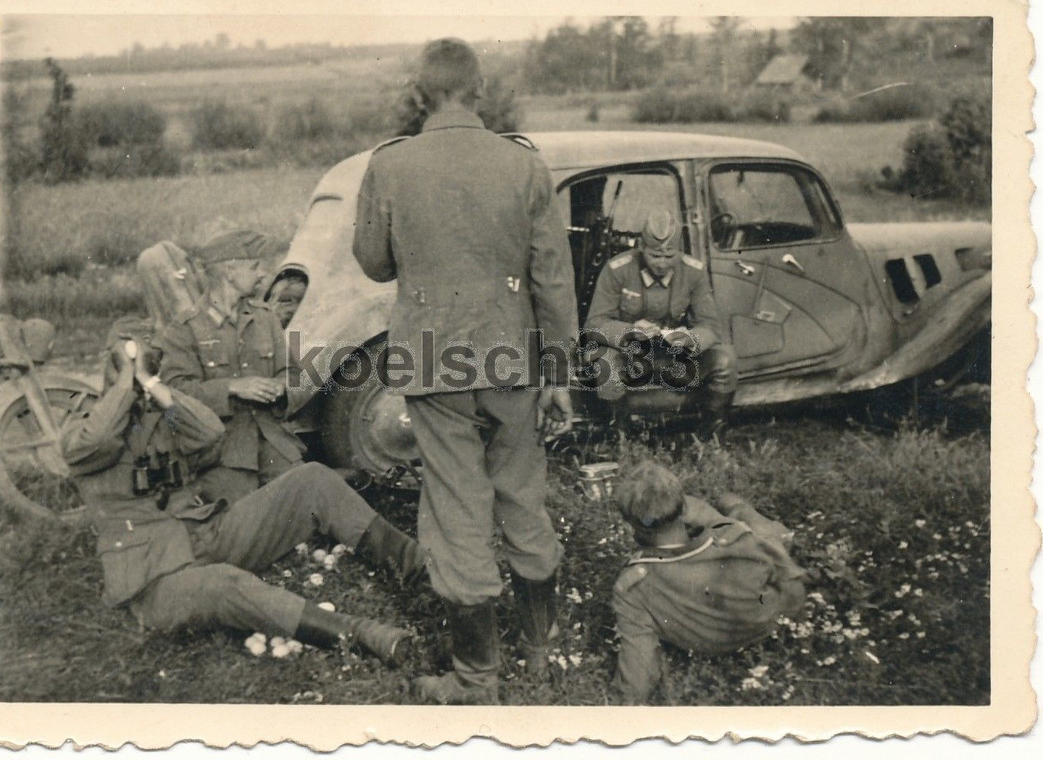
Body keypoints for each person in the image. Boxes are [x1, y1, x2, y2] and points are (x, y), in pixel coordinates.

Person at [352, 38, 579, 703]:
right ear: (480, 91)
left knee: (455, 509)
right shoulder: (522, 163)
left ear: (418, 95)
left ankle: (476, 678)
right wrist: (558, 370)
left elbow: (373, 262)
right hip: (512, 353)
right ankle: (538, 656)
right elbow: (553, 278)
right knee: (521, 492)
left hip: (431, 355)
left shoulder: (389, 164)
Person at [61, 317, 425, 662]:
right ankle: (364, 636)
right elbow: (100, 440)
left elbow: (209, 432)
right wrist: (125, 380)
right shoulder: (82, 424)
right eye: (126, 364)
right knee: (225, 585)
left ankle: (419, 567)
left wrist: (154, 384)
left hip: (209, 537)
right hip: (155, 579)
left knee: (312, 480)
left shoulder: (161, 411)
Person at [610, 459, 806, 703]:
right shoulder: (737, 540)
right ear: (684, 511)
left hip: (708, 646)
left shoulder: (633, 586)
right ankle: (736, 508)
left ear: (630, 527)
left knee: (732, 515)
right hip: (765, 626)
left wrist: (623, 703)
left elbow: (639, 663)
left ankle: (732, 508)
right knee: (739, 512)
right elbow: (793, 588)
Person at [158, 229, 307, 503]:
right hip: (223, 454)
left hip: (275, 443)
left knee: (307, 501)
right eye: (254, 267)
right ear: (229, 272)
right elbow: (172, 394)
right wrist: (232, 388)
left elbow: (297, 376)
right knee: (240, 522)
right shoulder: (185, 329)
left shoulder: (265, 319)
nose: (263, 275)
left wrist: (282, 388)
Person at [583, 210, 737, 441]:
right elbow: (594, 324)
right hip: (631, 359)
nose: (662, 264)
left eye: (669, 256)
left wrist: (690, 340)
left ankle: (710, 440)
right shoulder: (618, 269)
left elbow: (711, 326)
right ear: (641, 247)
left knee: (725, 359)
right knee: (604, 362)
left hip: (675, 359)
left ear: (679, 251)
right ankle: (621, 441)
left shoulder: (693, 272)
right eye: (655, 256)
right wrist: (629, 333)